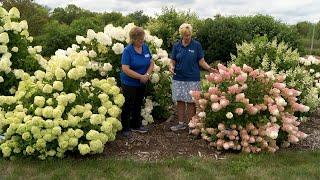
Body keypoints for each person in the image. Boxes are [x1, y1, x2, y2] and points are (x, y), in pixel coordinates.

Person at [169, 23, 215, 131]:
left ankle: (191, 125)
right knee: (180, 100)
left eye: (189, 35)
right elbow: (172, 61)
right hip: (178, 78)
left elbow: (201, 61)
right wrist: (171, 67)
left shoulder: (196, 45)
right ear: (181, 35)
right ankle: (181, 124)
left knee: (191, 101)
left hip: (192, 78)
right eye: (185, 35)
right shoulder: (176, 46)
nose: (187, 37)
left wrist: (209, 68)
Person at [120, 26, 154, 136]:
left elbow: (151, 62)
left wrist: (147, 74)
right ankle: (125, 128)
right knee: (128, 104)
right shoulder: (127, 51)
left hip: (142, 81)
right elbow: (125, 69)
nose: (142, 41)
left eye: (143, 39)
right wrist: (140, 76)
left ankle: (136, 125)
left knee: (138, 103)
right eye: (140, 40)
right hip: (129, 83)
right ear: (133, 39)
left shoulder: (145, 47)